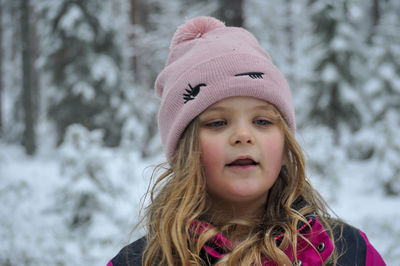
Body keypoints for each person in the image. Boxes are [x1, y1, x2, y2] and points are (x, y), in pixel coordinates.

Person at [108, 16, 385, 266]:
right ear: (185, 149)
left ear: (285, 143)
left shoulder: (350, 252)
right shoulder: (140, 262)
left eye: (262, 121)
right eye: (217, 123)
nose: (243, 135)